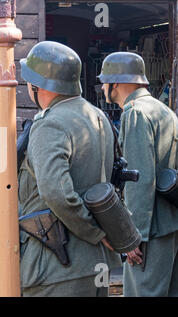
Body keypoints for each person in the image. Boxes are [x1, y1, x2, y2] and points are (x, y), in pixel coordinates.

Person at [18, 41, 121, 297]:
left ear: (37, 85)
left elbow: (56, 193)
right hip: (95, 264)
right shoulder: (98, 115)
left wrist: (94, 233)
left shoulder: (50, 124)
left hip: (58, 267)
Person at [99, 52, 178, 297]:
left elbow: (139, 178)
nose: (102, 87)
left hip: (151, 232)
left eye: (105, 80)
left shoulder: (135, 113)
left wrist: (134, 236)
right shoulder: (161, 110)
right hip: (169, 225)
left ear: (117, 82)